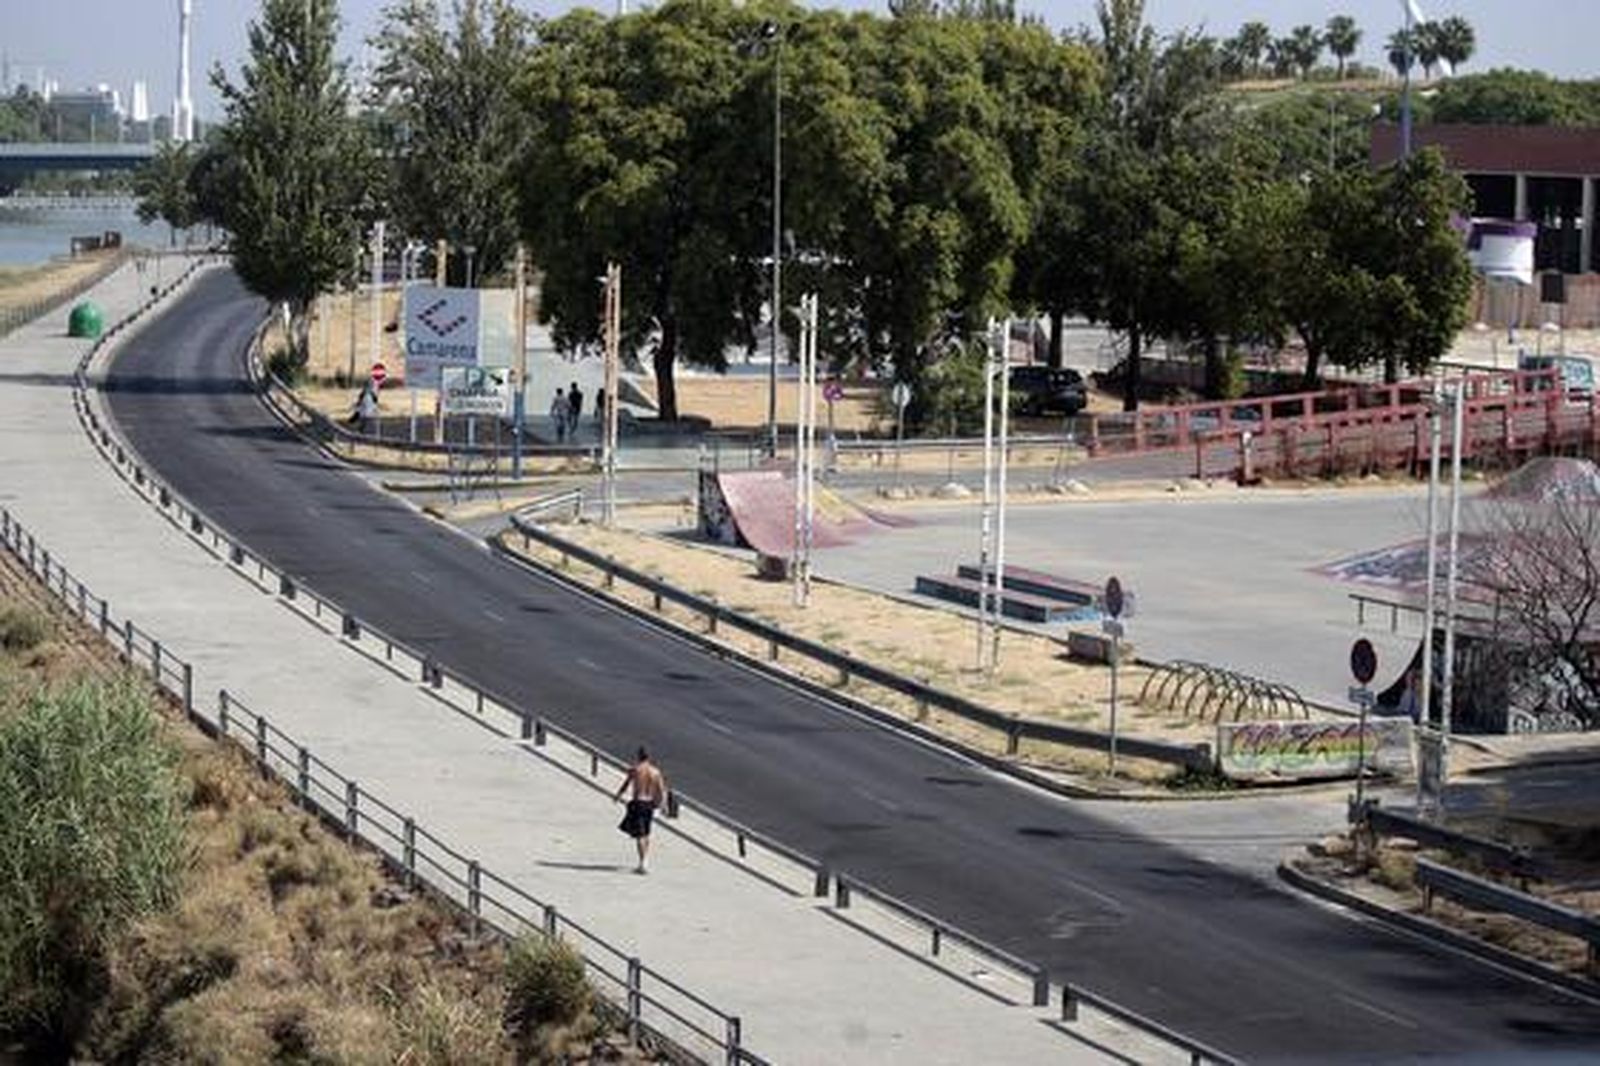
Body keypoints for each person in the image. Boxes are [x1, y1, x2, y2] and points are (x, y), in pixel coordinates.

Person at [613, 747, 668, 874]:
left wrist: (618, 796)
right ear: (649, 757)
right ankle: (645, 860)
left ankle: (643, 863)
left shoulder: (635, 770)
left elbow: (626, 784)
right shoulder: (655, 772)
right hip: (650, 804)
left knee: (640, 834)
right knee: (647, 832)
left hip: (638, 802)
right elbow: (662, 790)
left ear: (639, 756)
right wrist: (663, 806)